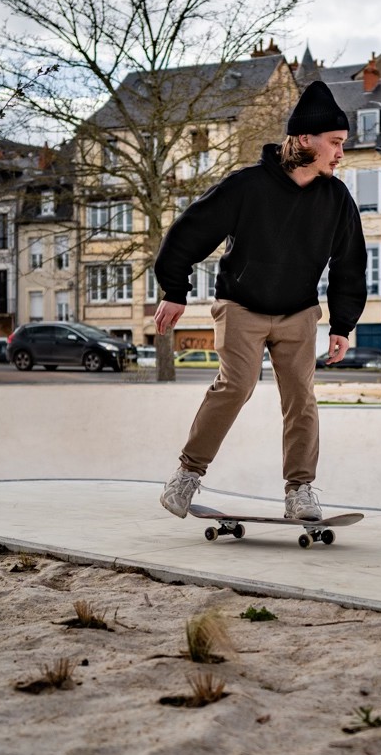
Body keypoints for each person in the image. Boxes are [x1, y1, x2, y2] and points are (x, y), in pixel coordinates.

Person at [153, 80, 367, 521]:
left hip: (300, 313)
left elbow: (350, 264)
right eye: (335, 143)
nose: (340, 154)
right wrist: (175, 291)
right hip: (241, 307)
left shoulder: (337, 199)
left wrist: (343, 324)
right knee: (237, 385)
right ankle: (187, 474)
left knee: (301, 398)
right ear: (306, 140)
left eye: (342, 144)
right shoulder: (248, 186)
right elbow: (188, 233)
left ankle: (300, 491)